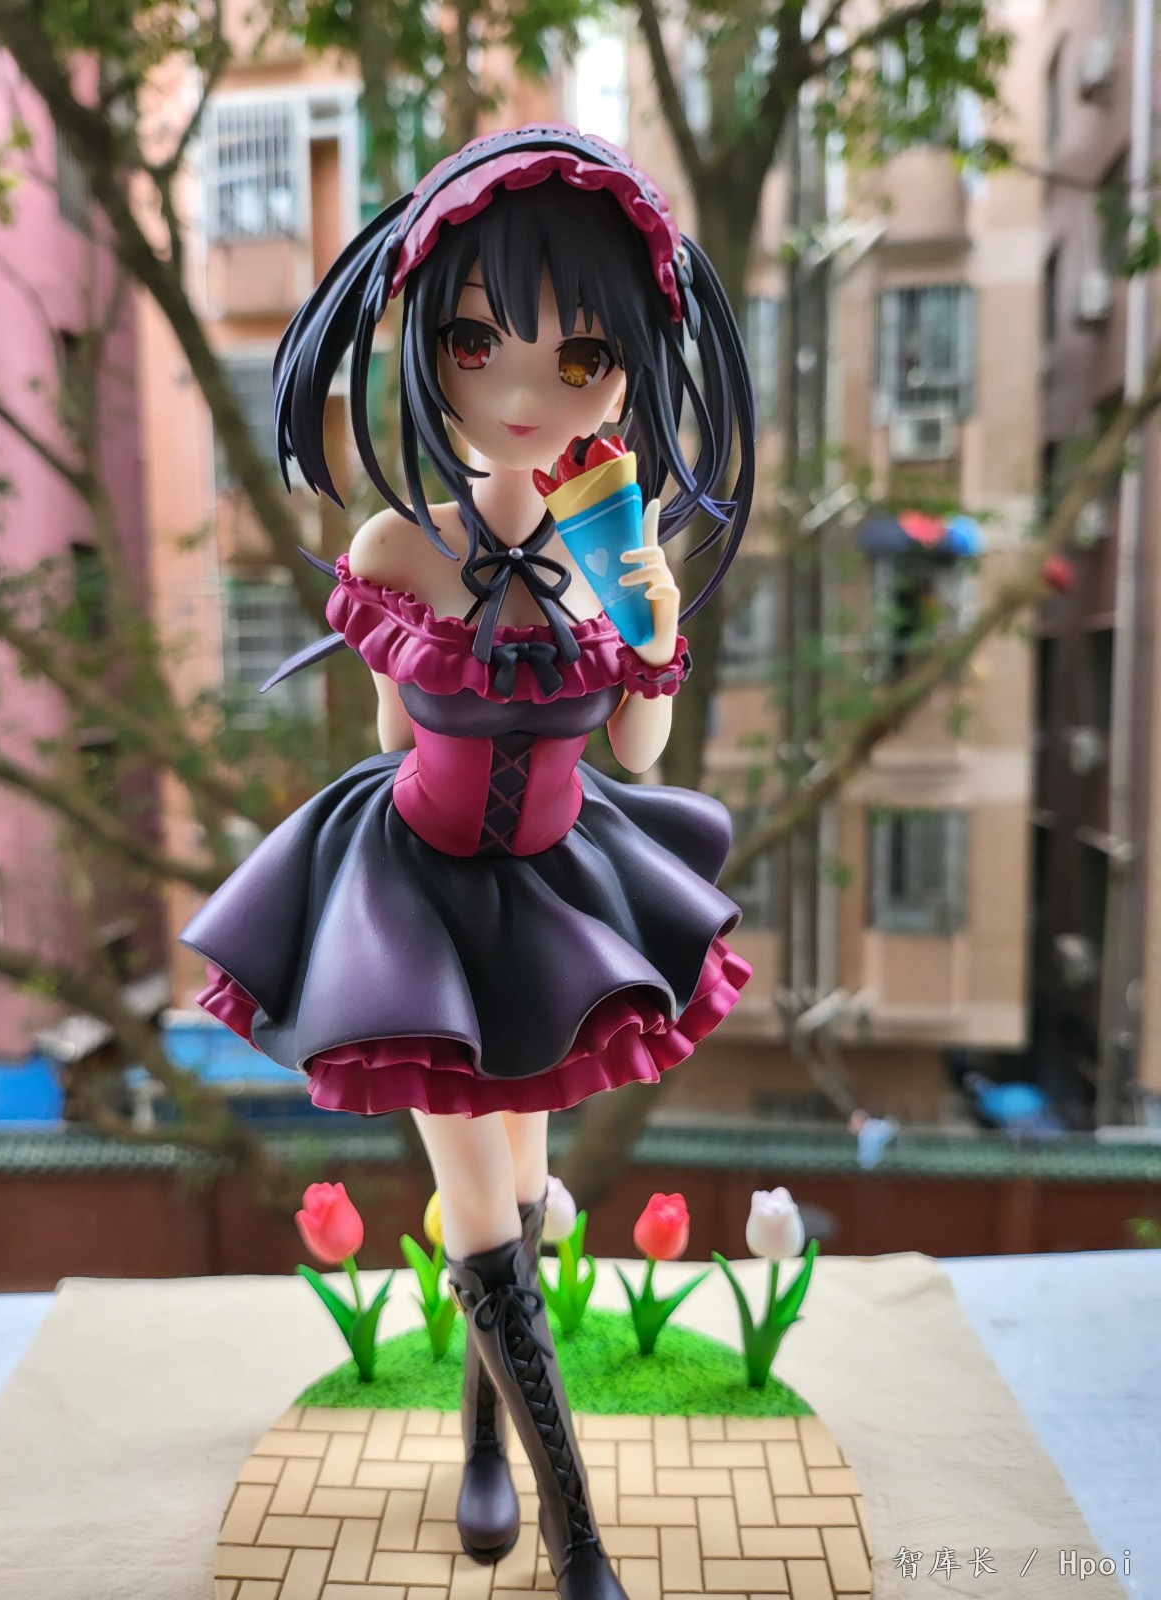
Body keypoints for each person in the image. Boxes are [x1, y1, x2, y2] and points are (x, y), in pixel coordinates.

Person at [179, 124, 756, 1600]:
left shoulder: (615, 552)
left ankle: (485, 1446)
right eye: (474, 343)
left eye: (580, 358)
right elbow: (395, 727)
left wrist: (654, 626)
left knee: (532, 1201)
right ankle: (579, 1539)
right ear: (424, 349)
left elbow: (640, 756)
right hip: (420, 898)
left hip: (554, 901)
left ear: (629, 372)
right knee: (490, 1220)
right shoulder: (395, 549)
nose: (515, 392)